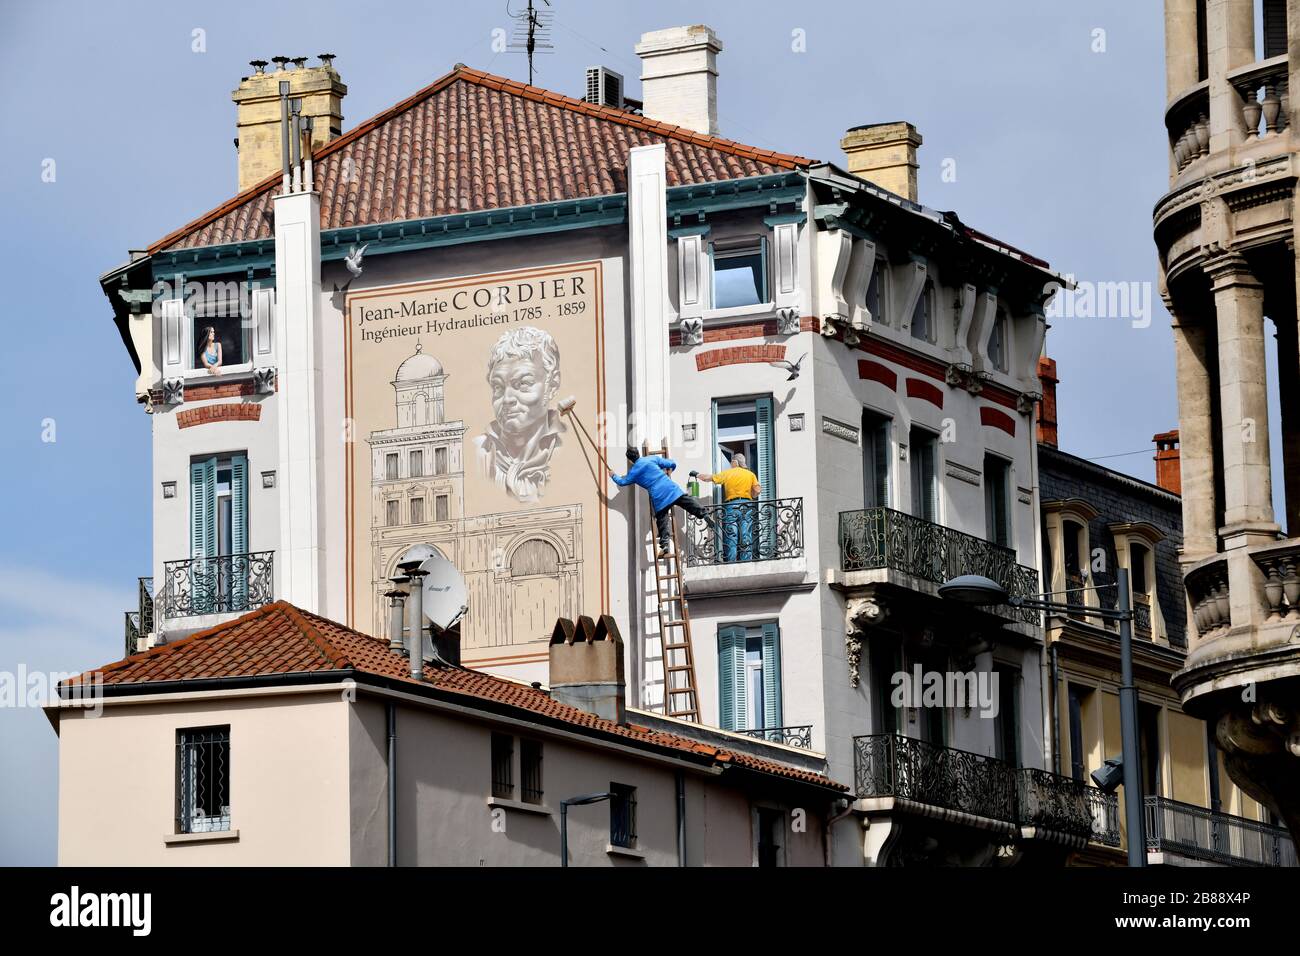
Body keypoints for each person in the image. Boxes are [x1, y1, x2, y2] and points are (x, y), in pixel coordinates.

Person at [475, 327, 565, 502]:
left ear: (552, 385)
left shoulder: (570, 448)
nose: (507, 399)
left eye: (523, 383)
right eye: (498, 387)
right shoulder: (480, 453)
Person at [611, 447, 707, 558]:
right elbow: (672, 463)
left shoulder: (633, 472)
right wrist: (669, 471)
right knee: (686, 501)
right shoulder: (651, 458)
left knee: (662, 521)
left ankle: (665, 545)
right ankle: (703, 513)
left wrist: (613, 475)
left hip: (658, 497)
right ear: (638, 453)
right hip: (670, 488)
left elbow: (622, 482)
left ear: (630, 460)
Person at [695, 453, 761, 561]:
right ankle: (746, 561)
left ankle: (731, 561)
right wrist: (751, 495)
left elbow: (708, 478)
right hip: (746, 505)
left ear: (735, 462)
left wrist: (697, 474)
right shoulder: (750, 475)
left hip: (731, 506)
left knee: (731, 535)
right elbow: (757, 490)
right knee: (745, 535)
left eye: (732, 462)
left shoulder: (728, 473)